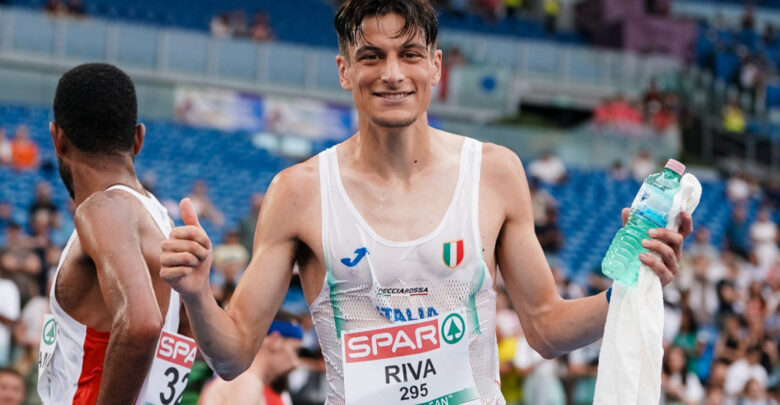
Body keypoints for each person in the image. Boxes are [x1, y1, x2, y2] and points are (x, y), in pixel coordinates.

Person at [161, 1, 693, 403]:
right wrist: (197, 295)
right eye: (372, 56)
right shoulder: (299, 191)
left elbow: (547, 328)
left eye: (409, 54)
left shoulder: (494, 172)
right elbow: (233, 355)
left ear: (436, 66)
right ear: (345, 70)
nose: (393, 73)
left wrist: (631, 288)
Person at [37, 63, 192, 404]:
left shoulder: (102, 209)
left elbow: (141, 324)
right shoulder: (162, 222)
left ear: (58, 139)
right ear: (138, 138)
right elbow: (184, 333)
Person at [198, 313, 303, 405]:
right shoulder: (246, 383)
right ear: (274, 341)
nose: (296, 363)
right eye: (296, 351)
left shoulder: (244, 379)